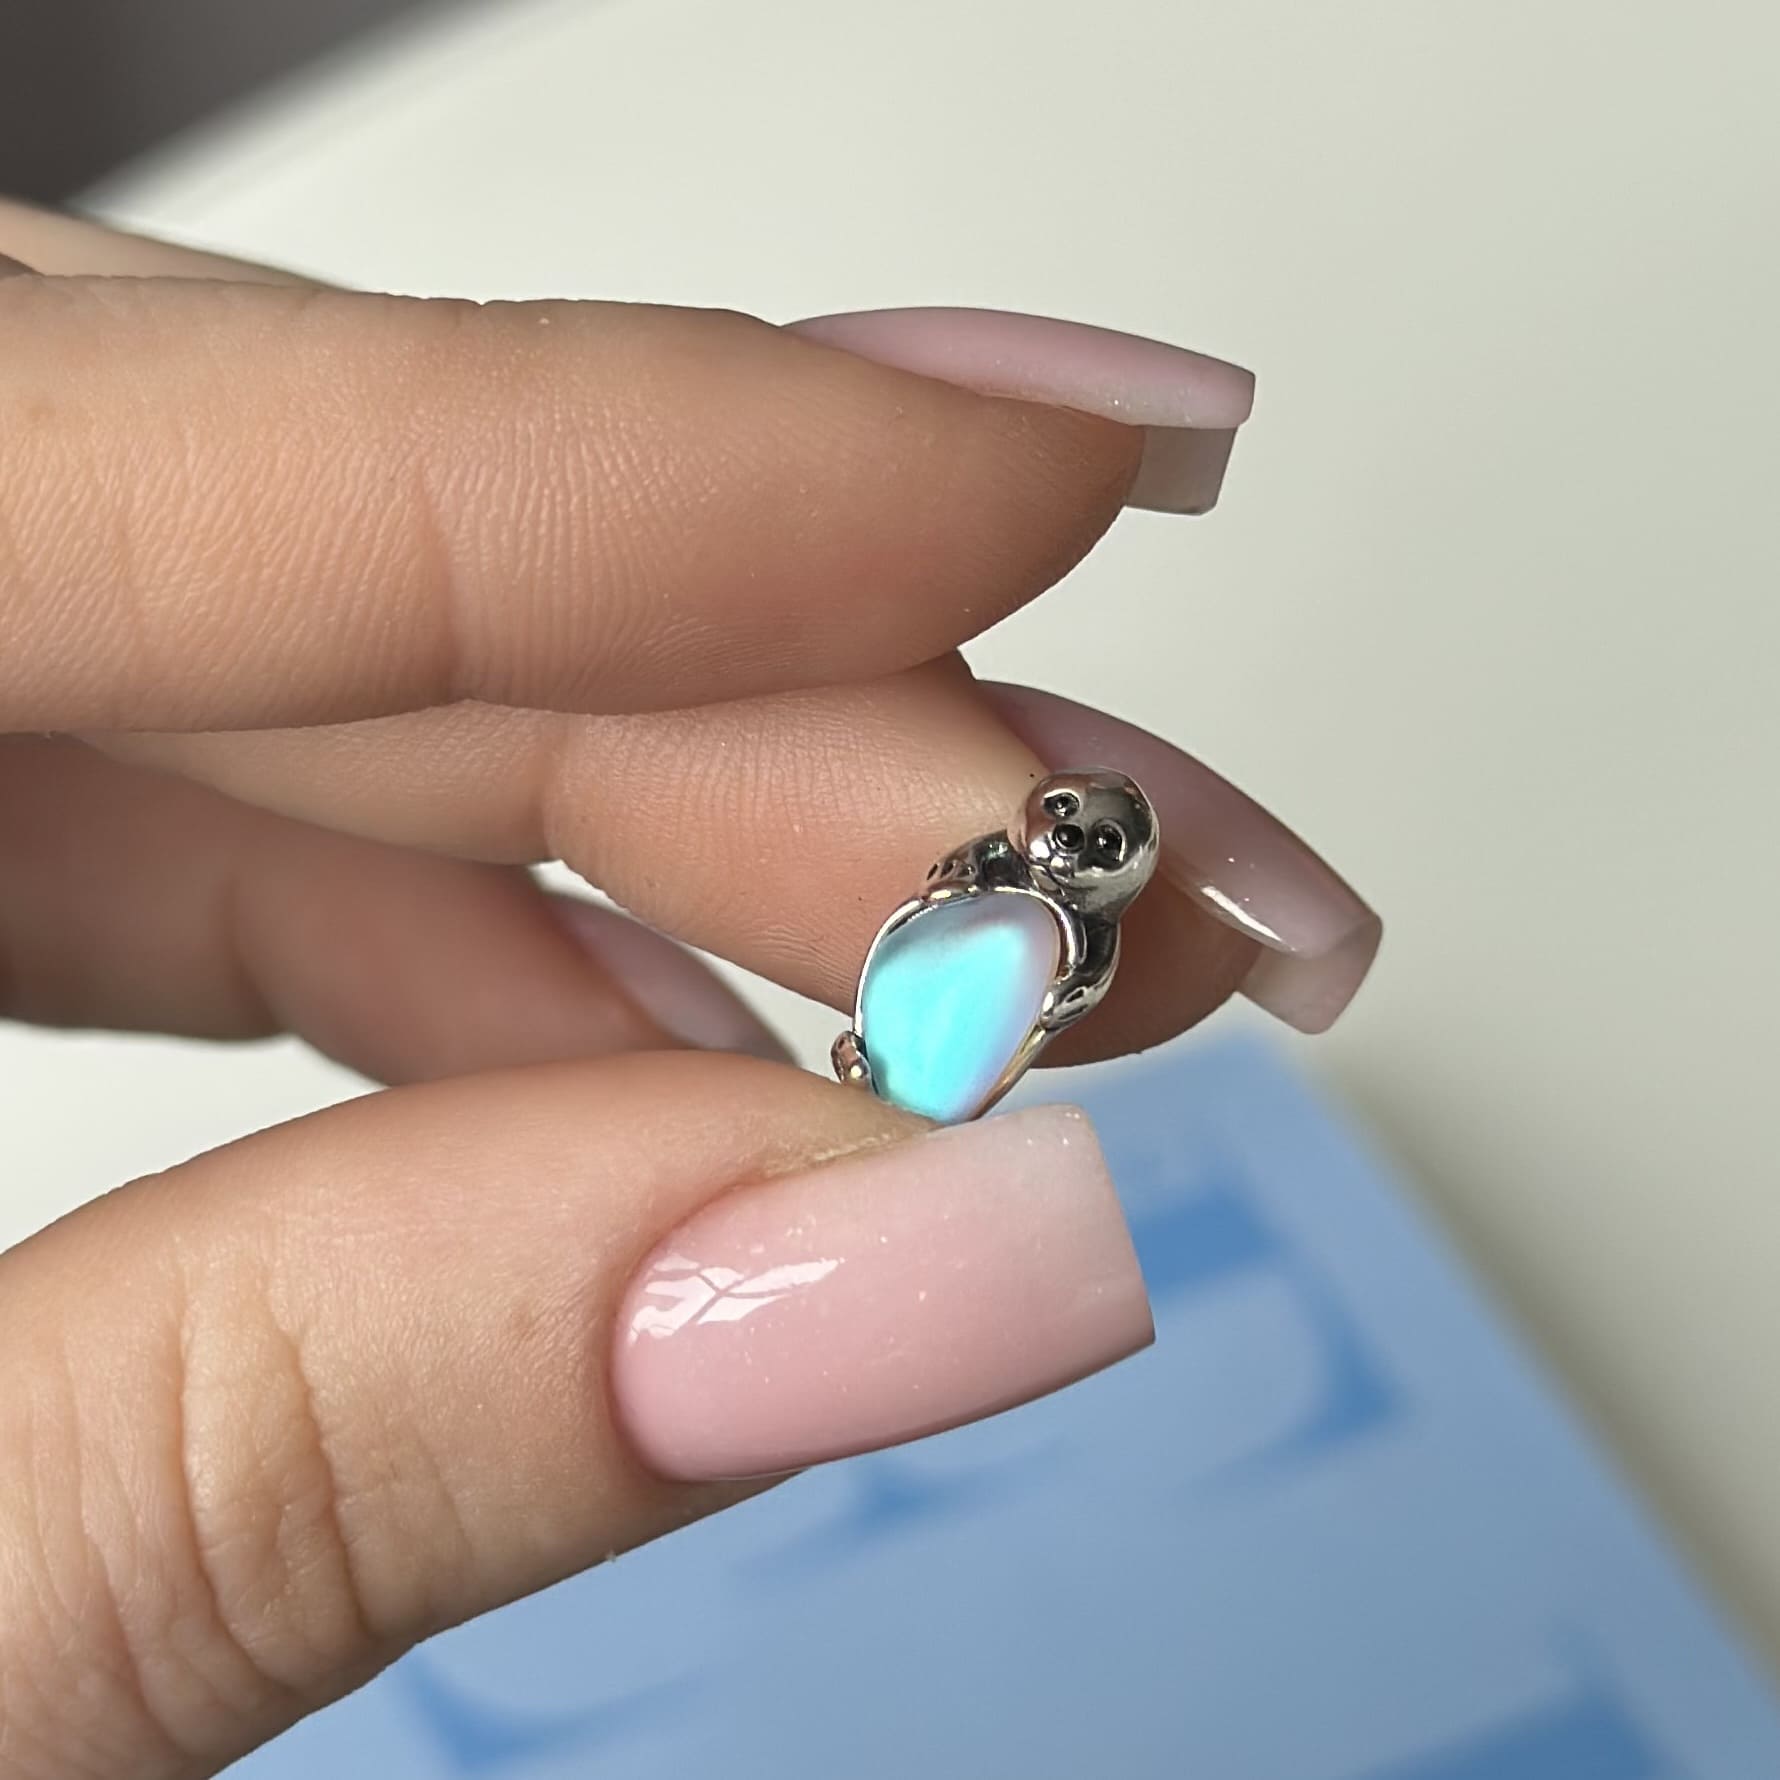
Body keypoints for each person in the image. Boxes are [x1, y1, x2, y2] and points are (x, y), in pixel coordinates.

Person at [0, 201, 1375, 1778]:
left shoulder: (1047, 938)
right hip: (906, 1034)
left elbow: (1034, 973)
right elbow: (961, 920)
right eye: (1068, 825)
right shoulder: (1001, 907)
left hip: (923, 1037)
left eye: (1092, 843)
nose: (1070, 840)